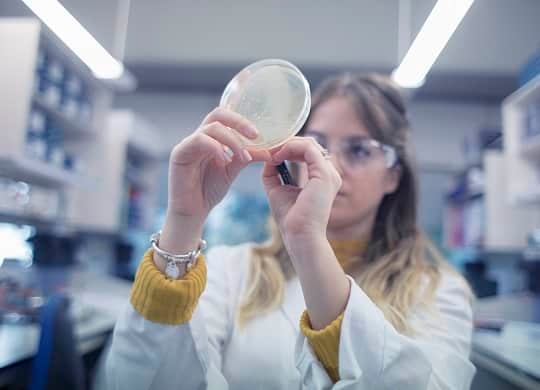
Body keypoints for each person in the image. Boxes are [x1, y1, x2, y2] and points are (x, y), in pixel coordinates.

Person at [103, 74, 476, 389]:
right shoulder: (232, 270)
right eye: (318, 145)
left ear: (393, 175)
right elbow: (139, 380)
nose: (332, 165)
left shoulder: (440, 292)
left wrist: (307, 245)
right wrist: (184, 220)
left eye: (360, 150)